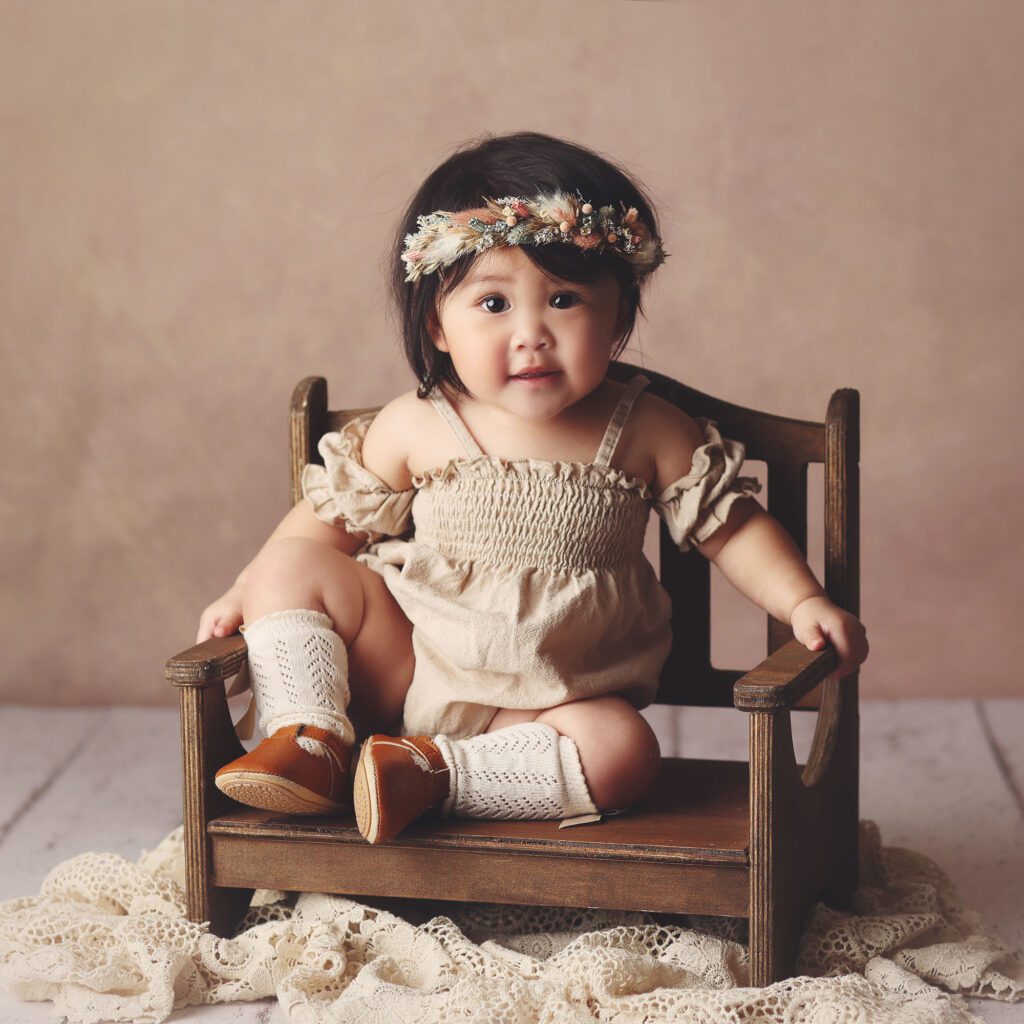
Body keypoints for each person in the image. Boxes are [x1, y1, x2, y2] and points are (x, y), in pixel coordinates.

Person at [196, 131, 869, 844]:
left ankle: (427, 775)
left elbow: (732, 529)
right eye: (493, 303)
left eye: (565, 298)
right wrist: (247, 591)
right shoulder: (416, 424)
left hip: (542, 704)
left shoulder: (648, 430)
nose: (531, 334)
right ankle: (311, 740)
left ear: (618, 314)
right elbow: (325, 523)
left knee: (623, 751)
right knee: (288, 564)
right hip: (409, 666)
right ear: (438, 325)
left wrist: (802, 601)